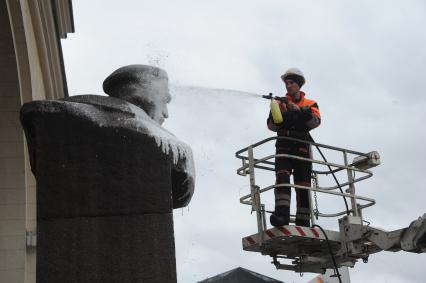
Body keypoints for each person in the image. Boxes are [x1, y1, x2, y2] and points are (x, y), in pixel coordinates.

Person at [267, 68, 321, 227]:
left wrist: (300, 111)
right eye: (286, 83)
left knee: (303, 184)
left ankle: (303, 221)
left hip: (302, 148)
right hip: (283, 147)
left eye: (291, 83)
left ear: (299, 85)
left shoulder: (310, 104)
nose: (288, 86)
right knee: (282, 180)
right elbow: (271, 126)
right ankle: (281, 216)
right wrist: (279, 114)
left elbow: (315, 122)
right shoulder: (279, 103)